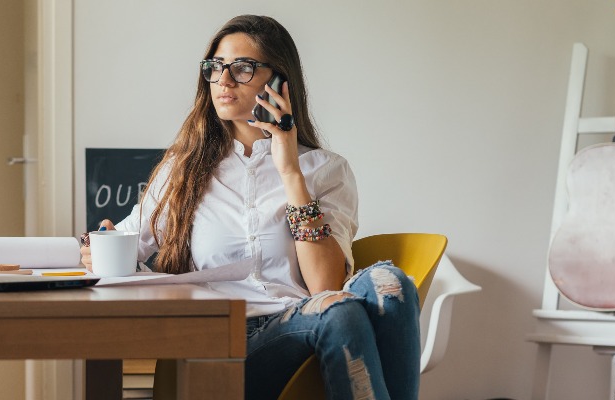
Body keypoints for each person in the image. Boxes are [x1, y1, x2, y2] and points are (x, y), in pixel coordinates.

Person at [81, 15, 420, 400]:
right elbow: (123, 241)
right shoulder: (184, 170)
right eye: (215, 68)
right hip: (222, 343)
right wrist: (100, 242)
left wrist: (290, 170)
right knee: (342, 311)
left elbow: (323, 287)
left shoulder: (325, 169)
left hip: (303, 331)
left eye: (242, 68)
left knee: (389, 284)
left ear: (279, 80)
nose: (223, 81)